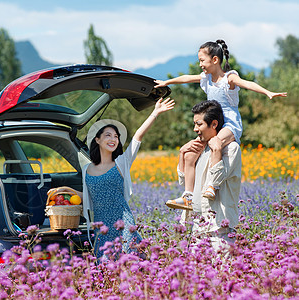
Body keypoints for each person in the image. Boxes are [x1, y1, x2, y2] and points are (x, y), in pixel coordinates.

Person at [156, 39, 287, 210]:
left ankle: (213, 185)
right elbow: (187, 78)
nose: (200, 64)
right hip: (212, 125)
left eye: (202, 60)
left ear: (215, 60)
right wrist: (168, 82)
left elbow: (247, 83)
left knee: (215, 144)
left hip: (230, 125)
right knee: (189, 154)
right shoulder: (206, 79)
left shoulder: (229, 78)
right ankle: (188, 196)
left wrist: (267, 92)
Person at [53, 97, 175, 258]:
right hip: (101, 227)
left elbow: (137, 137)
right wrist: (67, 190)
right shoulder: (86, 169)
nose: (113, 139)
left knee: (130, 262)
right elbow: (90, 197)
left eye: (116, 136)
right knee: (105, 266)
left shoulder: (121, 162)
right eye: (108, 135)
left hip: (124, 224)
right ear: (97, 139)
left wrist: (155, 112)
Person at [176, 100, 241, 251]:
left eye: (199, 124)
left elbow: (216, 180)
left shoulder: (231, 149)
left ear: (213, 124)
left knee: (223, 272)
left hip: (220, 227)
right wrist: (182, 153)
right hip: (199, 226)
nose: (195, 129)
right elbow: (183, 180)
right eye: (194, 124)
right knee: (195, 273)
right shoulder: (201, 148)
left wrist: (217, 151)